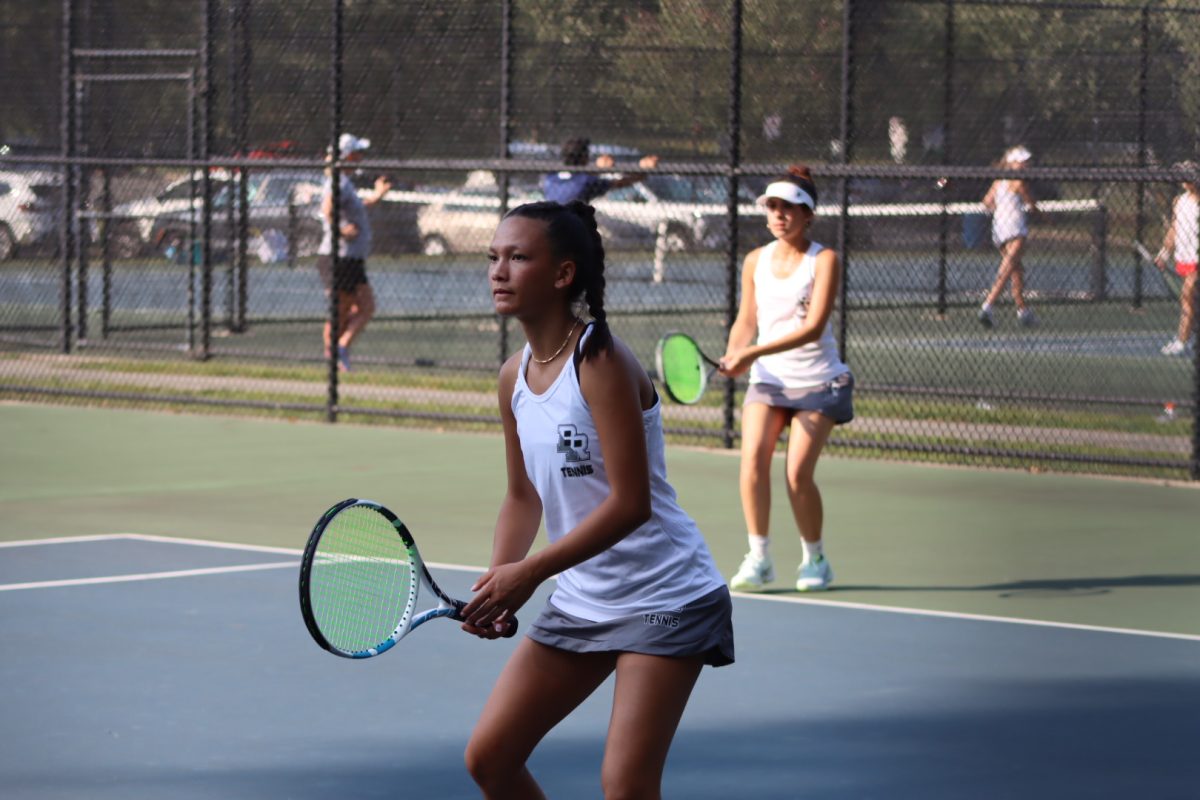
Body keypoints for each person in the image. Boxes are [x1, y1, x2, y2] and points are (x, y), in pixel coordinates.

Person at [461, 200, 733, 799]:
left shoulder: (601, 360)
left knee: (625, 785)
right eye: (493, 258)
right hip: (585, 600)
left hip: (667, 598)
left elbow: (632, 503)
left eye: (518, 257)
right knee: (490, 759)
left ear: (562, 275)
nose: (498, 271)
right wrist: (499, 582)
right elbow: (522, 495)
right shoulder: (513, 376)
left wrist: (530, 573)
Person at [719, 165, 853, 593]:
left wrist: (752, 352)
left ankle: (815, 557)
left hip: (818, 382)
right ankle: (758, 556)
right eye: (772, 207)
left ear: (808, 214)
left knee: (797, 473)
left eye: (789, 208)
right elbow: (747, 320)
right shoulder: (755, 260)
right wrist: (735, 351)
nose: (779, 215)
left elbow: (814, 328)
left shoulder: (824, 260)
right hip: (769, 381)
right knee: (752, 460)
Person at [317, 132, 392, 371]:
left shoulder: (345, 182)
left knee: (365, 307)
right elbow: (326, 209)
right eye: (357, 153)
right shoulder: (338, 181)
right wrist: (341, 231)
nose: (361, 157)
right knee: (341, 311)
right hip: (339, 258)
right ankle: (335, 357)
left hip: (352, 259)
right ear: (348, 156)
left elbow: (358, 207)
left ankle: (340, 347)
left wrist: (378, 195)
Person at [979, 145, 1038, 329]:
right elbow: (1031, 204)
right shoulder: (1018, 182)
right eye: (1022, 162)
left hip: (1000, 229)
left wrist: (1001, 210)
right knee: (1007, 270)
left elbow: (987, 202)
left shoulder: (998, 182)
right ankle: (988, 305)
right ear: (1013, 163)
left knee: (1016, 269)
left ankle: (1023, 311)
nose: (1026, 165)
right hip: (1015, 228)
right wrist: (1046, 217)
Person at [1154, 161, 1199, 357]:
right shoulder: (1179, 201)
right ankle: (1191, 338)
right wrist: (1164, 252)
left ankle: (1182, 341)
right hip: (1184, 257)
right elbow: (1174, 228)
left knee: (1187, 297)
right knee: (1191, 302)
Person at [541, 137, 659, 204]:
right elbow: (619, 183)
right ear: (583, 157)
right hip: (573, 230)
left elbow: (578, 175)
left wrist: (599, 169)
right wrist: (642, 173)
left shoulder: (551, 177)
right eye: (587, 154)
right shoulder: (586, 181)